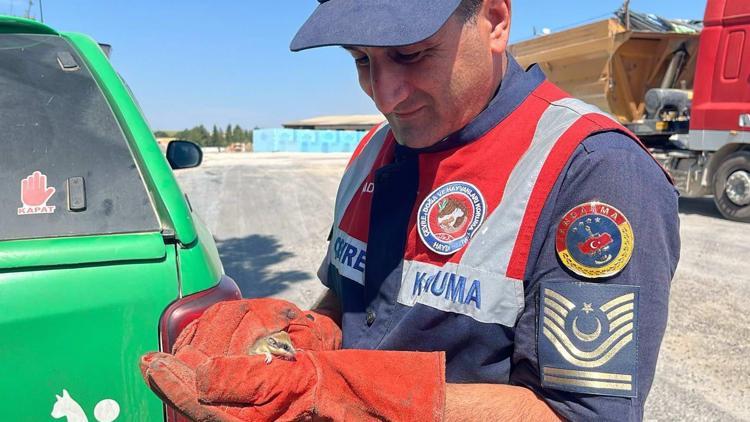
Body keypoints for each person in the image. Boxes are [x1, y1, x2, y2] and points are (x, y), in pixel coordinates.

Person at [140, 0, 680, 421]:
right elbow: (352, 301)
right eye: (361, 60)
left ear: (494, 20)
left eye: (411, 53)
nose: (385, 94)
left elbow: (580, 415)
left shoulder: (592, 171)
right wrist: (295, 340)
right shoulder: (376, 150)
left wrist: (335, 390)